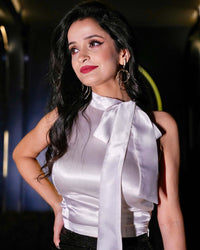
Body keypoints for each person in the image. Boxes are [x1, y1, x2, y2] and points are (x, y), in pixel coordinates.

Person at [13, 1, 186, 249]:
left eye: (93, 43)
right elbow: (21, 154)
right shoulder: (63, 117)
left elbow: (170, 217)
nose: (82, 56)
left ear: (123, 53)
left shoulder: (159, 126)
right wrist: (57, 205)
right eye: (74, 49)